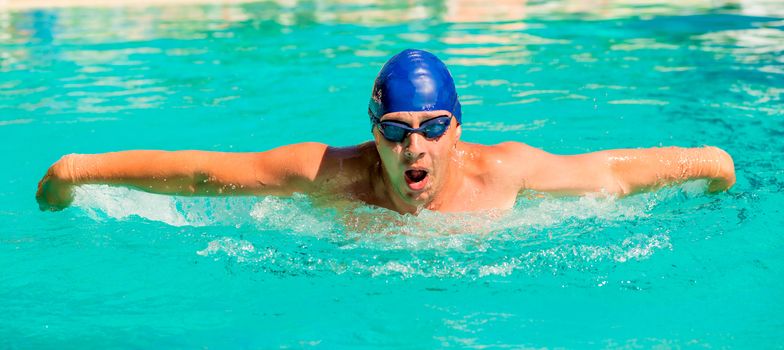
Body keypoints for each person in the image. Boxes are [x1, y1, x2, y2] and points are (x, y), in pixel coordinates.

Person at [36, 49, 736, 215]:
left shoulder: (505, 174)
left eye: (433, 128)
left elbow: (608, 172)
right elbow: (203, 173)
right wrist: (80, 168)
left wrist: (707, 161)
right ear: (374, 134)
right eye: (398, 131)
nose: (415, 147)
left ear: (458, 130)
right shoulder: (332, 176)